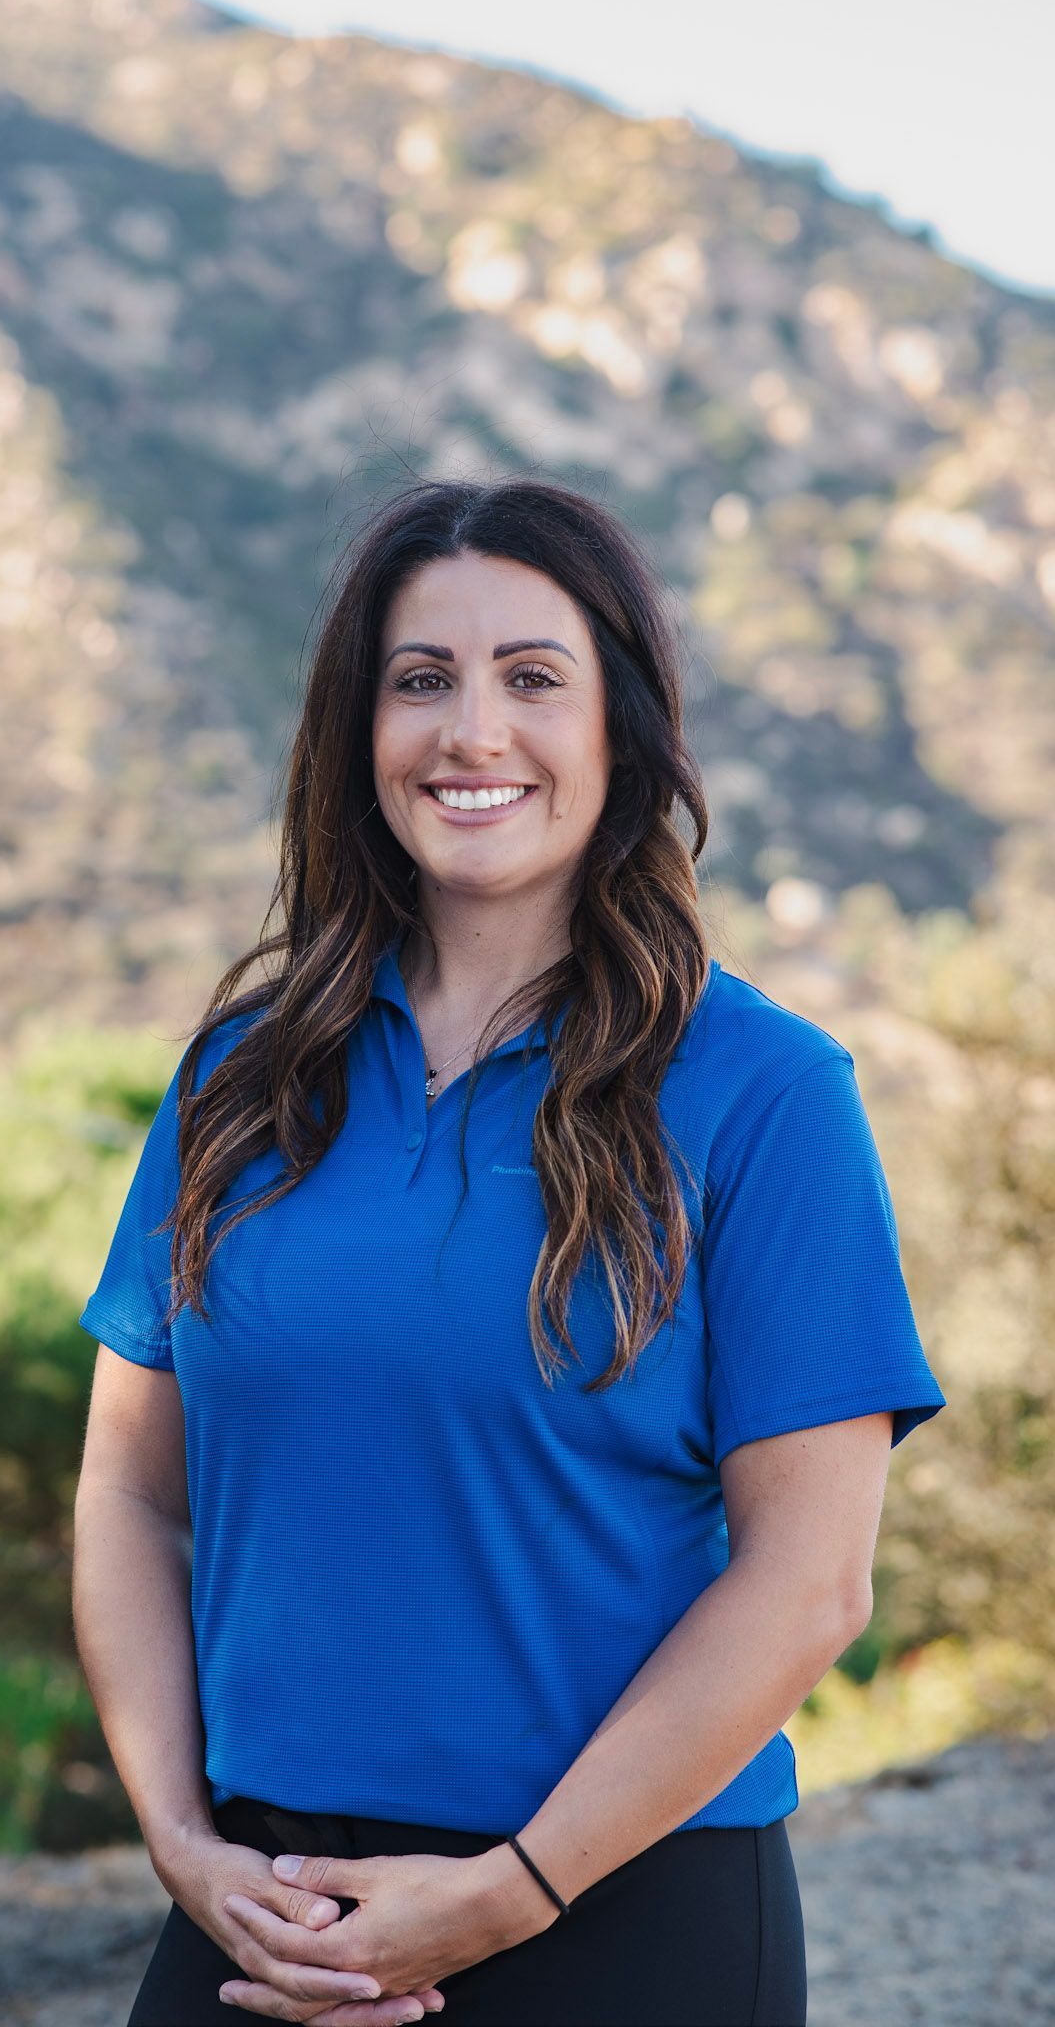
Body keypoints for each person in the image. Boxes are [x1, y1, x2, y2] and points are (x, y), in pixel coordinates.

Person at [72, 475, 947, 2027]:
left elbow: (810, 1581)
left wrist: (513, 1890)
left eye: (533, 679)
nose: (473, 732)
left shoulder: (765, 1092)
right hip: (260, 1918)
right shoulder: (240, 1080)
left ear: (624, 729)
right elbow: (132, 1494)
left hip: (617, 1913)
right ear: (362, 736)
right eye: (423, 682)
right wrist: (182, 1843)